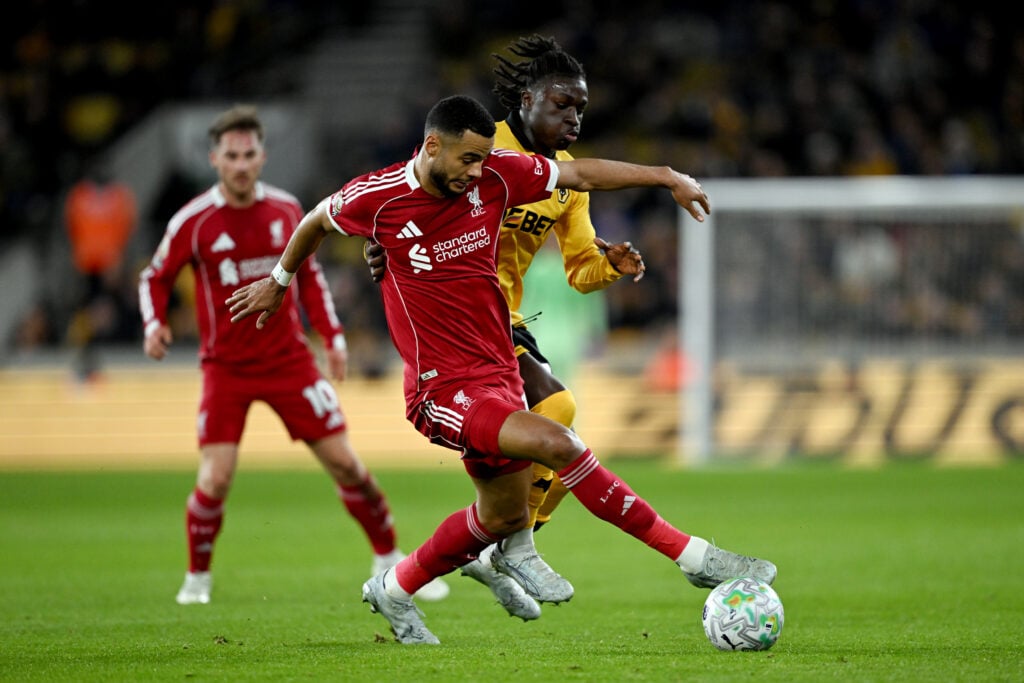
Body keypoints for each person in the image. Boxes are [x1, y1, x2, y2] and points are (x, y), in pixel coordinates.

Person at [227, 94, 776, 645]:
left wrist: (666, 176)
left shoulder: (495, 176)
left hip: (499, 373)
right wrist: (278, 282)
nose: (476, 171)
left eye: (484, 159)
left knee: (500, 518)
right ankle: (692, 556)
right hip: (440, 388)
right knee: (560, 443)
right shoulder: (377, 197)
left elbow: (579, 172)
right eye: (467, 159)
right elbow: (314, 221)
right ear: (432, 145)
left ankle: (393, 589)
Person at [362, 35, 647, 619]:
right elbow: (409, 194)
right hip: (453, 323)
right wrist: (381, 246)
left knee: (561, 427)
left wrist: (610, 266)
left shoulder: (564, 179)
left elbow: (579, 269)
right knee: (560, 415)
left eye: (581, 110)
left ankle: (499, 540)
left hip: (506, 320)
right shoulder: (480, 149)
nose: (572, 118)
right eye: (562, 104)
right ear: (526, 98)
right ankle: (509, 544)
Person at [137, 104, 449, 606]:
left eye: (250, 153)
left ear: (263, 156)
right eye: (231, 155)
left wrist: (333, 337)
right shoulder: (193, 222)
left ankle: (390, 559)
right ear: (214, 158)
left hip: (290, 362)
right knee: (214, 478)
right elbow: (154, 275)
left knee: (347, 465)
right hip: (227, 369)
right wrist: (154, 325)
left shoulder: (286, 210)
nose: (241, 164)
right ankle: (197, 579)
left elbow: (310, 277)